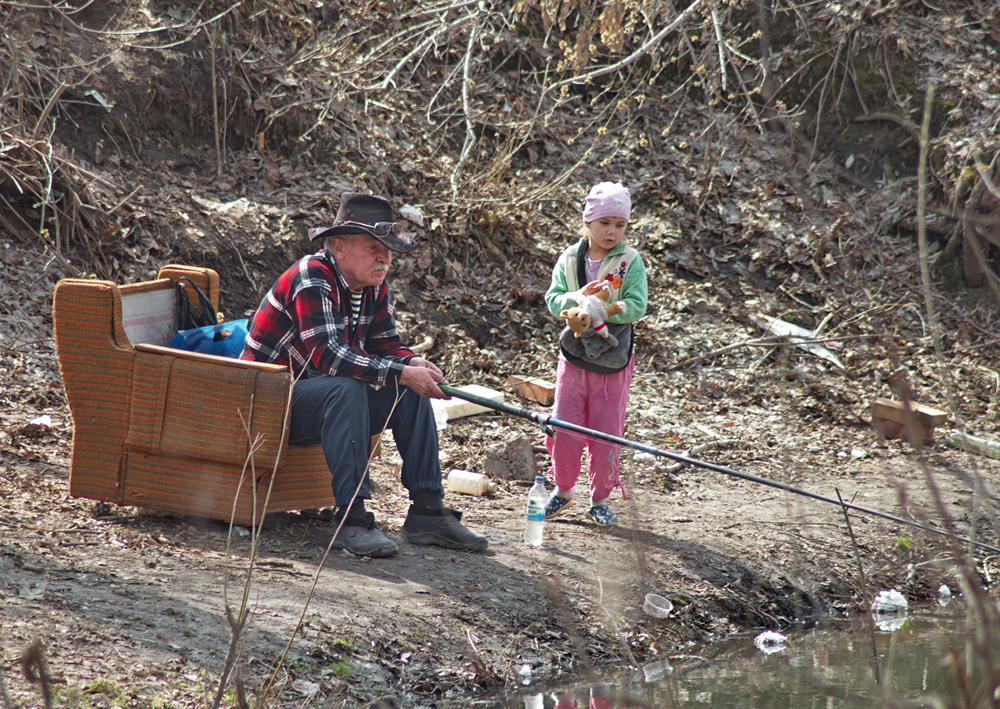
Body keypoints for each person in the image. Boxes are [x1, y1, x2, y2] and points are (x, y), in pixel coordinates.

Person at [240, 192, 488, 557]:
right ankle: (351, 520)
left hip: (312, 399)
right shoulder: (312, 276)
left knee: (406, 390)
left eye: (388, 250)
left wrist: (412, 362)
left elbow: (387, 345)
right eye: (374, 247)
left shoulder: (373, 285)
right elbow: (328, 357)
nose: (385, 258)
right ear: (339, 247)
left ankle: (428, 511)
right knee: (347, 388)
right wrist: (399, 371)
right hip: (265, 406)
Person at [542, 182, 648, 526]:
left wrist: (608, 309)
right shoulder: (569, 258)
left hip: (613, 359)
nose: (612, 231)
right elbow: (553, 298)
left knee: (607, 428)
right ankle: (562, 490)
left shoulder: (631, 262)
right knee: (565, 423)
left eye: (620, 224)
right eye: (605, 223)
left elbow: (638, 305)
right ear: (588, 222)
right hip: (573, 355)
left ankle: (600, 497)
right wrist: (577, 300)